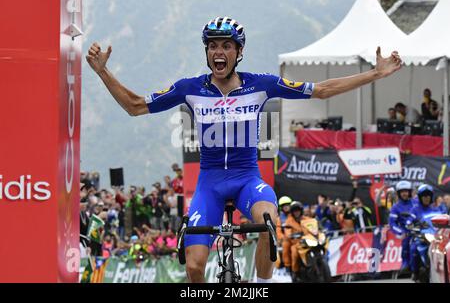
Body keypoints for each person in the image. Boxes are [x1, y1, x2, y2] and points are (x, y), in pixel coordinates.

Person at [86, 16, 402, 283]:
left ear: (239, 52)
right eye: (212, 45)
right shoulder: (190, 88)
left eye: (226, 45)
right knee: (194, 265)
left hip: (247, 178)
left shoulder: (260, 84)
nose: (218, 51)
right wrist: (102, 71)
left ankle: (260, 285)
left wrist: (376, 73)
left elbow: (321, 91)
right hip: (209, 184)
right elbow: (135, 106)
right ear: (206, 52)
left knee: (267, 223)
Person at [407, 184, 445, 281]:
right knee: (414, 249)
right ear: (420, 197)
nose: (426, 197)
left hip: (438, 237)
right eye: (424, 195)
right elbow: (408, 223)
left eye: (428, 195)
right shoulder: (414, 210)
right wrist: (411, 227)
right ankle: (415, 272)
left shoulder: (438, 209)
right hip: (421, 237)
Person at [389, 180, 415, 271]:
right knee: (406, 242)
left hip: (420, 230)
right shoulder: (395, 207)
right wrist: (401, 232)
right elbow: (392, 223)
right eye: (402, 192)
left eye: (406, 191)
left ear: (410, 192)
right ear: (399, 193)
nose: (404, 193)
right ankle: (406, 261)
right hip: (406, 232)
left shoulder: (416, 203)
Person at [283, 201, 306, 282]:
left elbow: (313, 224)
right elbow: (287, 231)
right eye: (294, 211)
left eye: (298, 210)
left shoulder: (306, 218)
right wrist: (290, 235)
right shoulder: (289, 221)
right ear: (292, 212)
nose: (296, 212)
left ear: (301, 211)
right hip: (295, 243)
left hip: (307, 241)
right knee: (294, 251)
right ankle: (295, 271)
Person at [275, 196, 293, 271]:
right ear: (281, 207)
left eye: (287, 205)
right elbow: (278, 232)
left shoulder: (295, 215)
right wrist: (283, 238)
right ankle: (288, 266)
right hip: (286, 240)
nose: (286, 207)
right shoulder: (279, 219)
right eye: (284, 206)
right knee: (285, 248)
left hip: (297, 238)